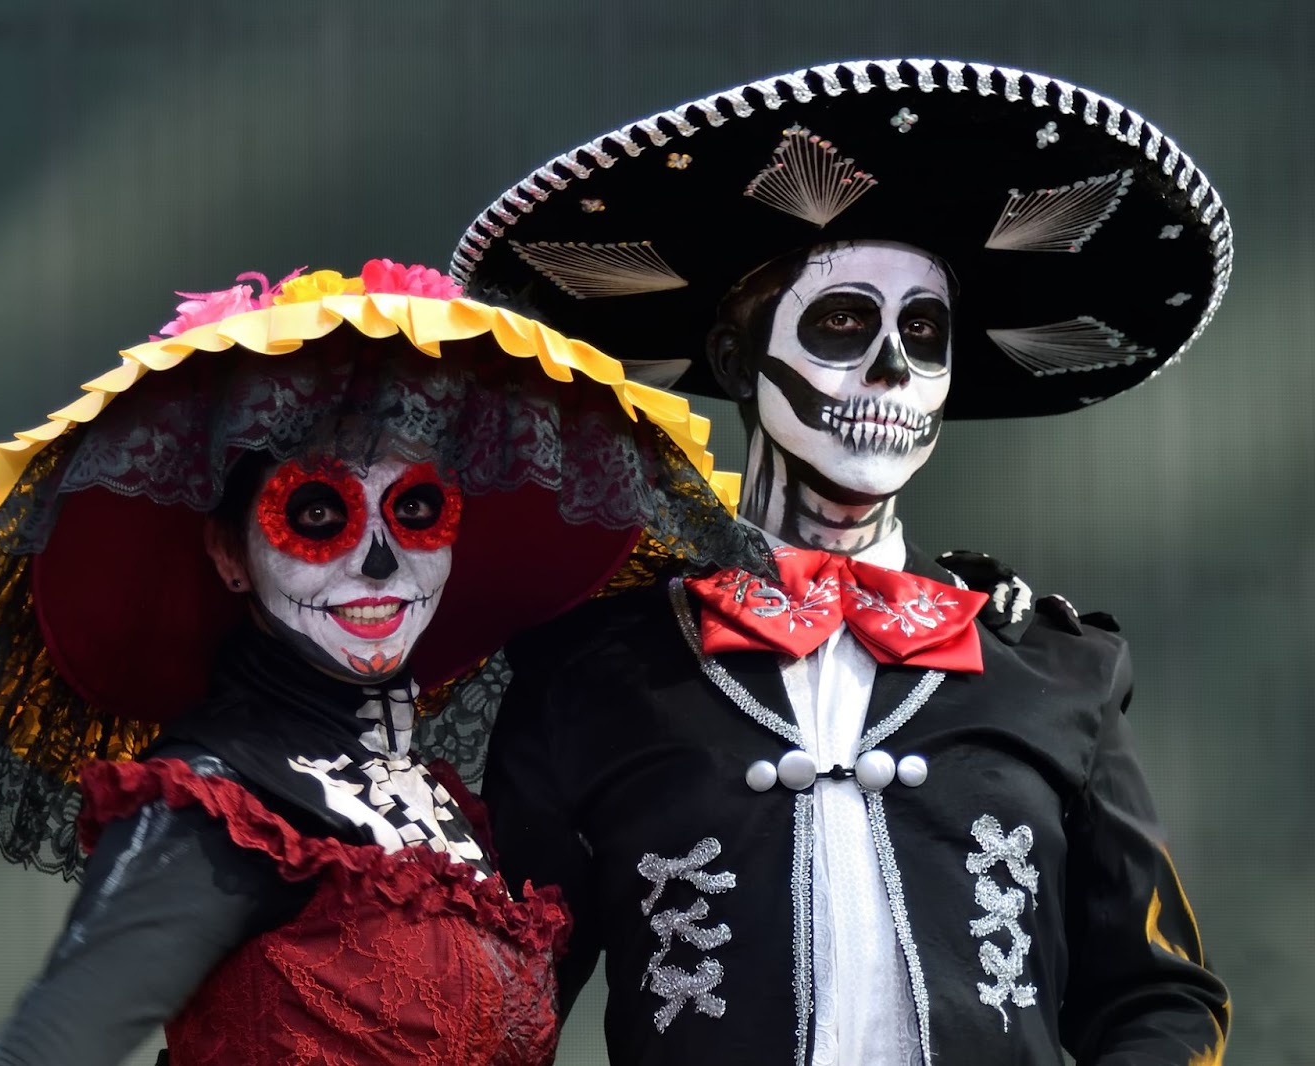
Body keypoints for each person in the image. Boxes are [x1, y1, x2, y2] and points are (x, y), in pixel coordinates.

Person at [452, 59, 1232, 1064]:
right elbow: (501, 1004)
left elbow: (1156, 997)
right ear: (738, 362)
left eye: (924, 333)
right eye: (843, 323)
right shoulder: (594, 674)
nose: (892, 372)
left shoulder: (1054, 667)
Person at [0, 259, 762, 1065]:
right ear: (230, 553)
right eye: (316, 514)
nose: (380, 562)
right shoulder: (220, 801)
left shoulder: (437, 806)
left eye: (417, 509)